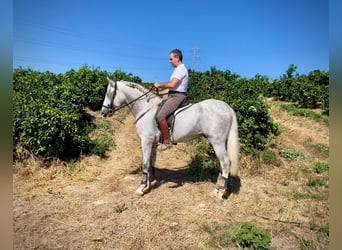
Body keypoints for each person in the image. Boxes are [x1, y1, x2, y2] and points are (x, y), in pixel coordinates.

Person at [154, 49, 189, 150]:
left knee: (161, 115)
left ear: (177, 58)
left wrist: (159, 84)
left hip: (177, 96)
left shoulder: (181, 69)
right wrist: (158, 93)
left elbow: (172, 84)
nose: (169, 61)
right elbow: (171, 88)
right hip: (173, 94)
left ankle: (166, 142)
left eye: (171, 59)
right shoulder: (178, 69)